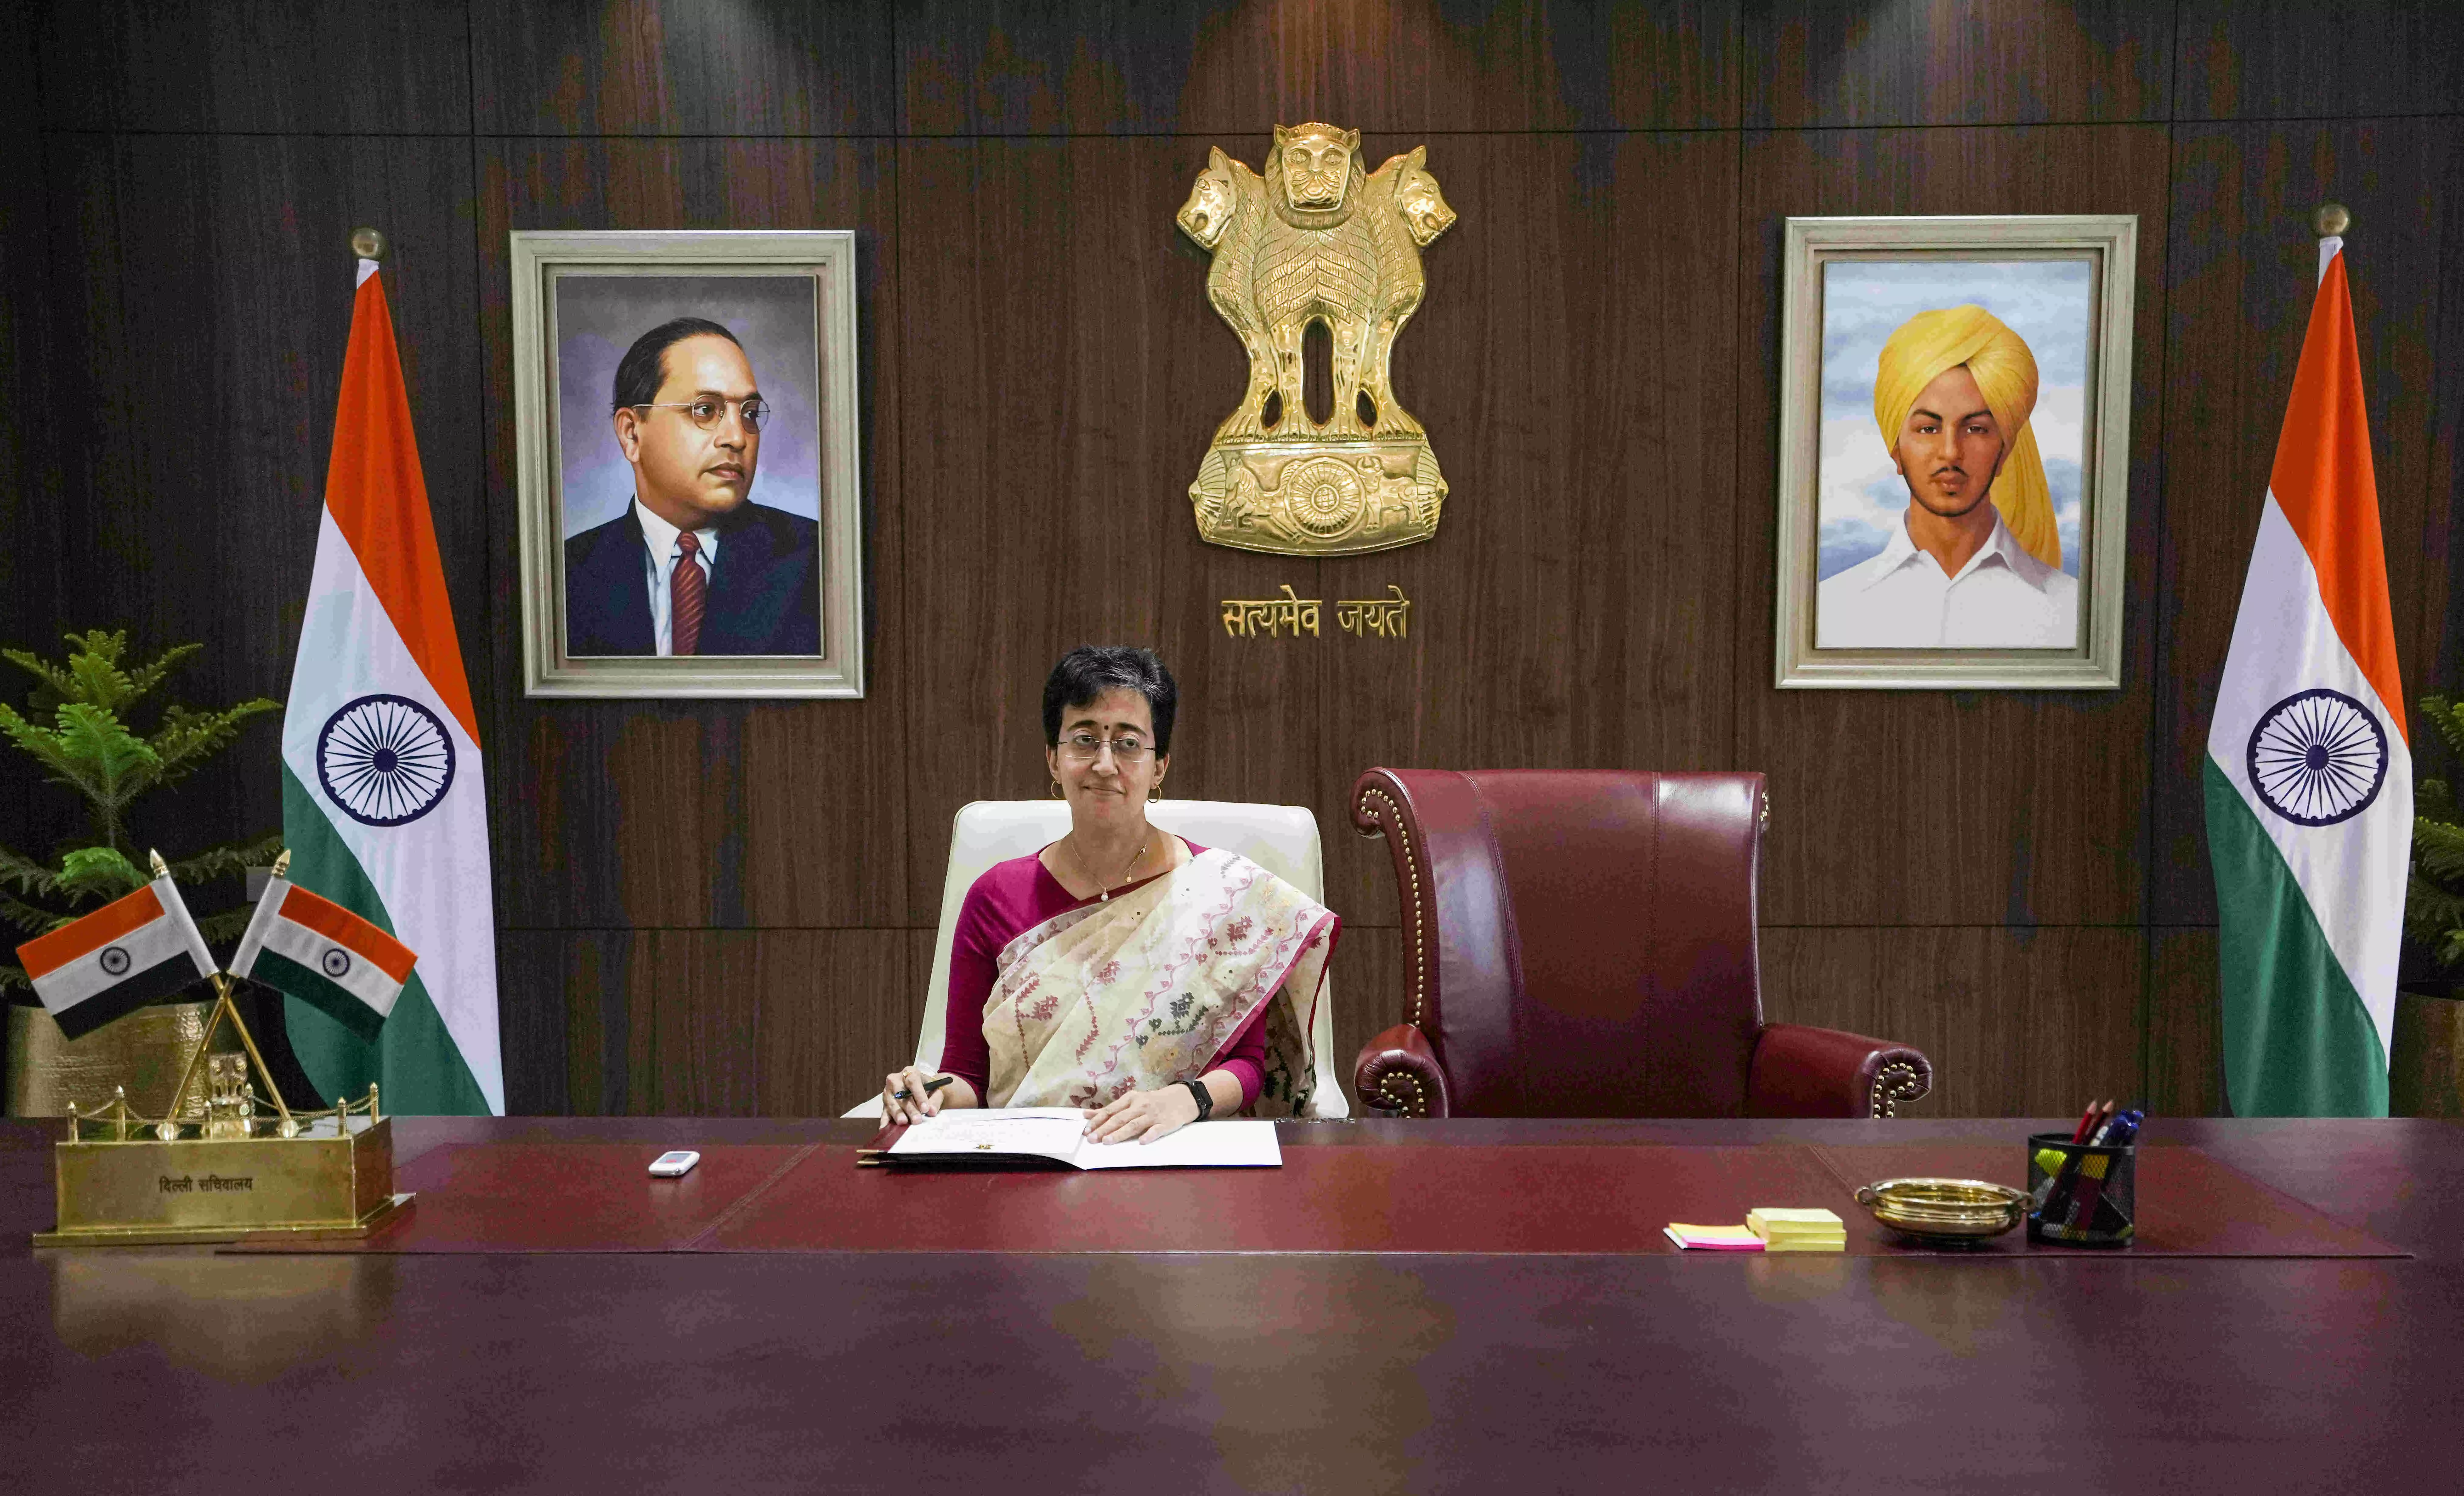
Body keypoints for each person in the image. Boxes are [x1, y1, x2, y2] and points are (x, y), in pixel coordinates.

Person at [881, 647, 1339, 1142]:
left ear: (1159, 765)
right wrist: (930, 1092)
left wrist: (1186, 1099)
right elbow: (970, 1076)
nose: (1104, 764)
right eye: (1084, 740)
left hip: (1168, 1144)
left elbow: (1249, 1064)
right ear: (1054, 760)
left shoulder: (1223, 893)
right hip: (1032, 1154)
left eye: (1127, 743)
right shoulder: (995, 896)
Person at [1817, 304, 2079, 649]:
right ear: (1895, 449)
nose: (1951, 452)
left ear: (2004, 450)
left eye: (1975, 429)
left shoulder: (2072, 614)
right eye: (1928, 428)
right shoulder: (1829, 613)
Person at [564, 316, 821, 657]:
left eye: (750, 414)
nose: (737, 437)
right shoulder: (564, 576)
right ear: (631, 433)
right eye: (705, 410)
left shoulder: (820, 562)